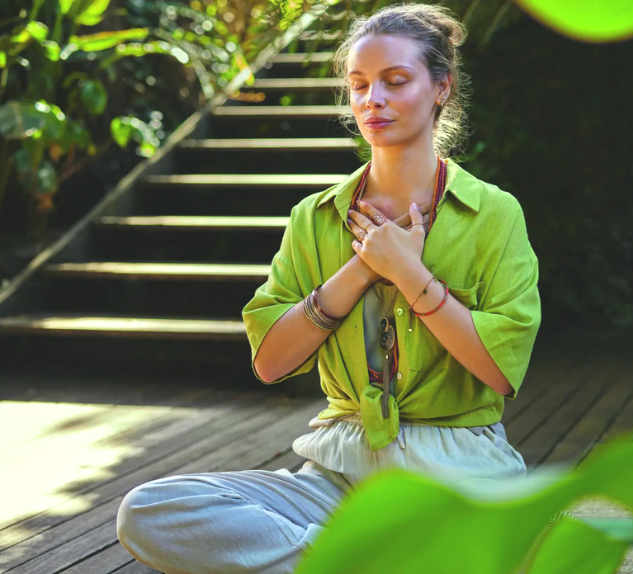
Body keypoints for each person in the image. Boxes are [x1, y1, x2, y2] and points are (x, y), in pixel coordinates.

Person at [115, 3, 541, 573]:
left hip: (459, 474)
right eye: (359, 85)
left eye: (395, 81)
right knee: (149, 511)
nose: (372, 100)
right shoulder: (313, 218)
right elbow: (270, 362)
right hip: (338, 475)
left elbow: (499, 371)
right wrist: (363, 267)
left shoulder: (494, 214)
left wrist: (409, 273)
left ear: (441, 88)